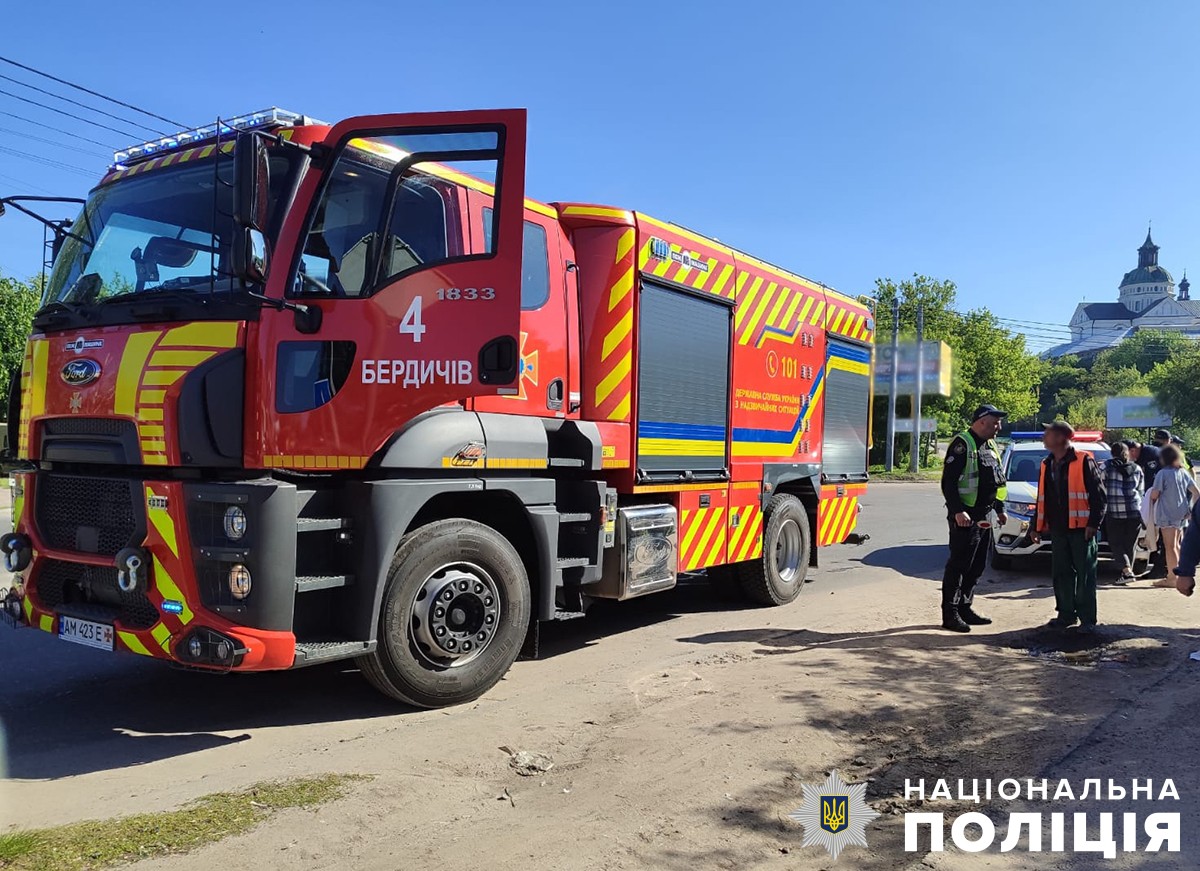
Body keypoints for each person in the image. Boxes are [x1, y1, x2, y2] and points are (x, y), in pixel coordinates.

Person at [939, 404, 1009, 632]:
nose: (999, 426)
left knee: (977, 566)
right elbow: (948, 483)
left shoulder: (990, 446)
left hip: (985, 514)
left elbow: (996, 480)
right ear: (981, 421)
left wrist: (1000, 508)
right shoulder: (963, 444)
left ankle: (965, 607)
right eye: (995, 422)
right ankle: (950, 614)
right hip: (965, 516)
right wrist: (957, 510)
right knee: (959, 564)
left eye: (999, 422)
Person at [1030, 421, 1106, 630]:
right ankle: (1065, 614)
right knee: (1061, 573)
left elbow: (1099, 496)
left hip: (1081, 529)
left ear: (1061, 438)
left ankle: (1087, 619)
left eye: (1048, 433)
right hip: (1058, 529)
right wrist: (1035, 526)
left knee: (1085, 574)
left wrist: (1094, 523)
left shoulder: (1083, 461)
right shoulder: (1046, 463)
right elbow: (1041, 498)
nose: (1043, 437)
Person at [1148, 445, 1200, 586]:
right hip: (1182, 513)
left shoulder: (1162, 474)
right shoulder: (1182, 472)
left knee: (1169, 546)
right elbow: (1196, 492)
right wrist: (1193, 510)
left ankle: (1172, 577)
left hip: (1167, 514)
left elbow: (1155, 494)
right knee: (1177, 545)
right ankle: (1177, 573)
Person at [1103, 441, 1144, 584]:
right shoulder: (1137, 468)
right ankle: (1127, 574)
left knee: (1115, 543)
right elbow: (1141, 490)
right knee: (1129, 544)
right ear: (1127, 452)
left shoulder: (1106, 467)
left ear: (1112, 453)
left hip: (1114, 511)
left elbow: (1100, 487)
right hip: (1134, 511)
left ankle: (1127, 571)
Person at [1126, 439, 1166, 577]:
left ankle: (1161, 569)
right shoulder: (1142, 455)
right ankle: (1160, 565)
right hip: (1155, 499)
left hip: (1161, 500)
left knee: (1163, 536)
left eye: (1127, 453)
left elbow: (1153, 482)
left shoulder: (1152, 454)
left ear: (1132, 450)